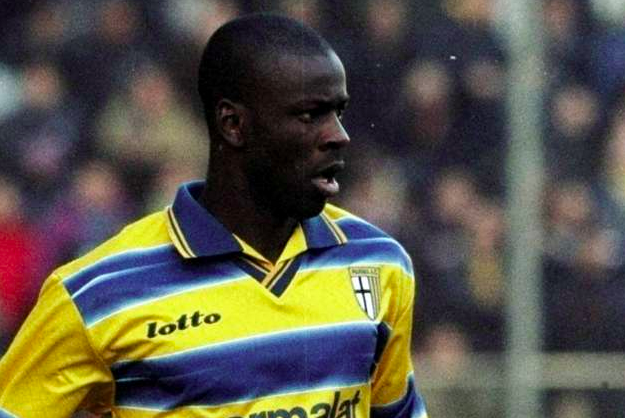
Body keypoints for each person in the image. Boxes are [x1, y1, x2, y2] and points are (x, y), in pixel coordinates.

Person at [0, 14, 428, 418]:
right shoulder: (97, 294)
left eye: (339, 113)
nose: (338, 135)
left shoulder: (379, 263)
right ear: (233, 124)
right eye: (309, 115)